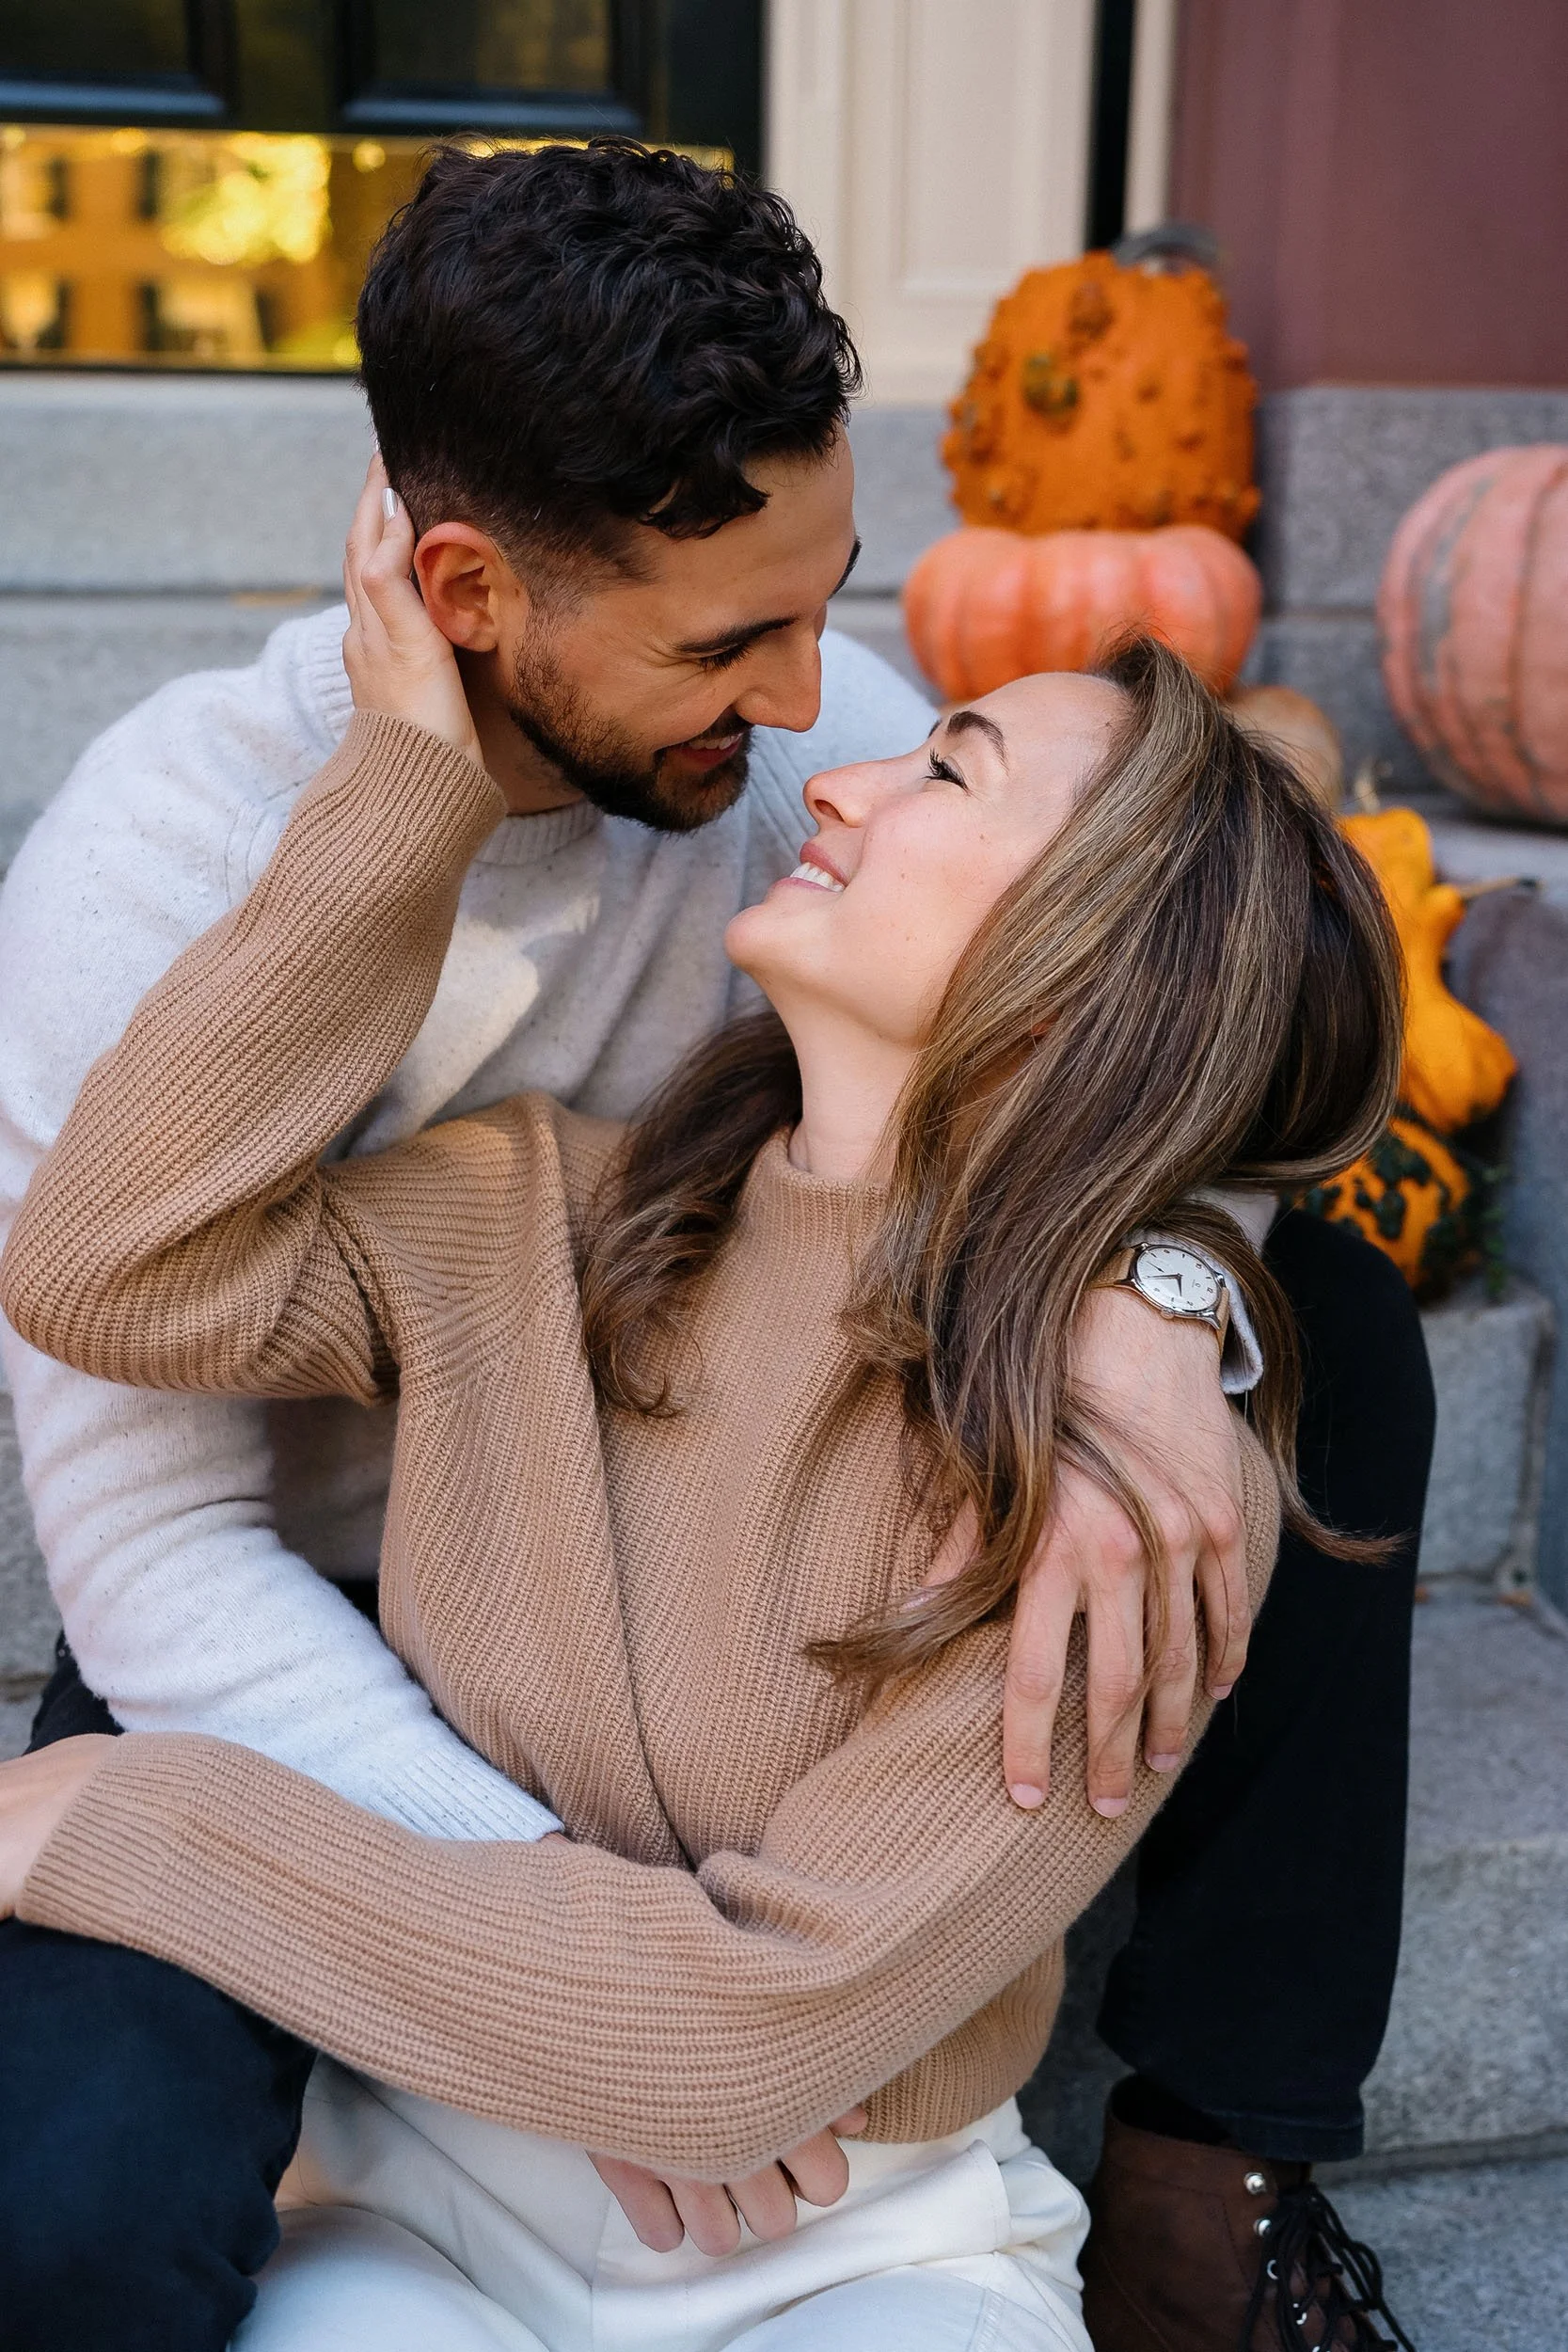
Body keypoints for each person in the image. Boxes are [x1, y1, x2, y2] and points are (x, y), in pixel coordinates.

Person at [0, 144, 1432, 2352]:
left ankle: (1204, 2157)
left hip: (750, 1522)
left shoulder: (824, 771)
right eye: (729, 639)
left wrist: (1160, 1282)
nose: (816, 714)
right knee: (67, 2218)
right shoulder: (169, 872)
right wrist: (571, 1973)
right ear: (467, 592)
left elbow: (1175, 972)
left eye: (833, 601)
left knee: (1331, 1316)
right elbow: (131, 1415)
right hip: (270, 1595)